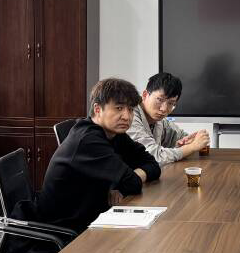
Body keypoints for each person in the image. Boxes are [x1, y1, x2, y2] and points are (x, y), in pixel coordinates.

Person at [27, 77, 162, 243]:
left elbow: (153, 165)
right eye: (119, 108)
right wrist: (126, 181)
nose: (127, 116)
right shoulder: (87, 140)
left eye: (130, 109)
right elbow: (132, 182)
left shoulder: (114, 134)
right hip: (65, 231)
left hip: (92, 216)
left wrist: (124, 182)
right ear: (98, 109)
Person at [127, 71, 210, 165]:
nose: (164, 109)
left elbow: (180, 136)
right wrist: (191, 147)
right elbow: (153, 156)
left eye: (171, 103)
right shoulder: (129, 116)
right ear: (145, 95)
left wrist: (190, 140)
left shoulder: (159, 120)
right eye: (160, 100)